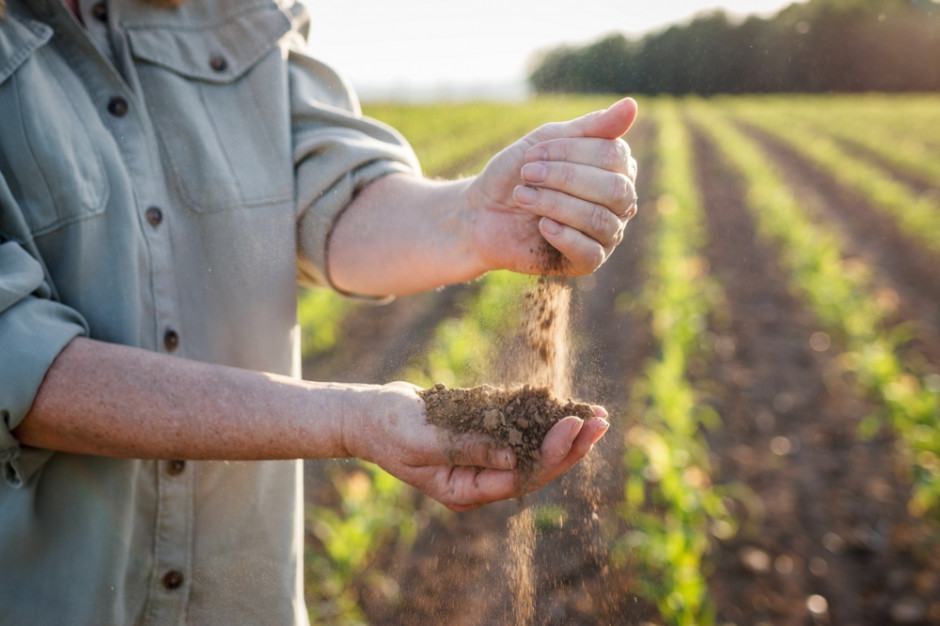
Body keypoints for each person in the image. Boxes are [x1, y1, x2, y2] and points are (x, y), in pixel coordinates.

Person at [0, 0, 639, 622]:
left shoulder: (236, 12)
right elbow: (17, 359)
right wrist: (347, 419)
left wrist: (470, 219)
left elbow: (331, 195)